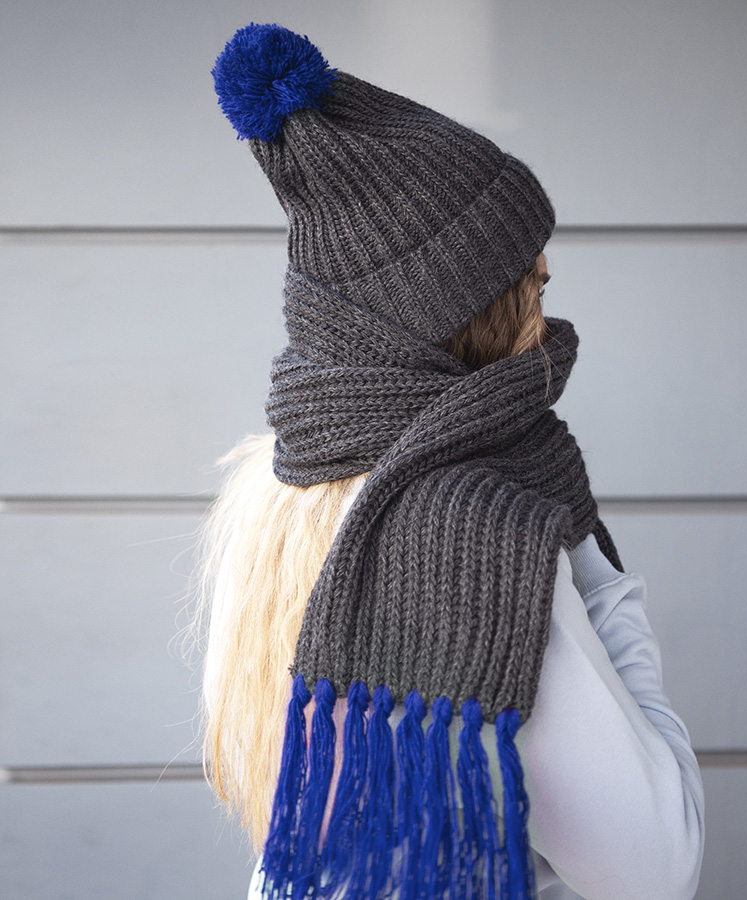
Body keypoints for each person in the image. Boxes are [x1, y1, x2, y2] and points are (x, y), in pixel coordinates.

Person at [200, 22, 704, 900]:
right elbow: (657, 867)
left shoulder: (273, 487)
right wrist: (596, 576)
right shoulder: (479, 541)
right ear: (475, 312)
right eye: (533, 284)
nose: (548, 313)